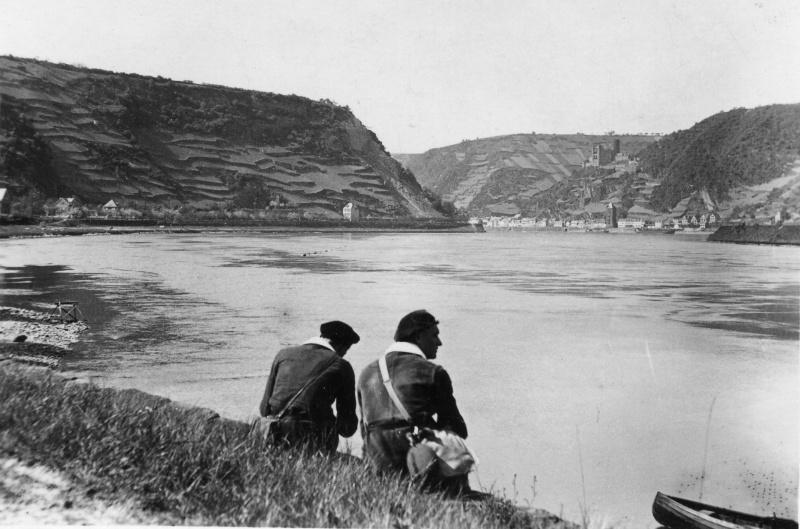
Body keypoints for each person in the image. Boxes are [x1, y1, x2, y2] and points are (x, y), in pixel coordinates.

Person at [357, 309, 472, 497]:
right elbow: (457, 428)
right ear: (419, 337)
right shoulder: (432, 371)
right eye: (434, 335)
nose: (439, 342)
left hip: (378, 462)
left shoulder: (367, 371)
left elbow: (364, 428)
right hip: (418, 461)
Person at [259, 320, 360, 453]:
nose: (343, 354)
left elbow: (264, 409)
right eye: (345, 349)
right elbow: (347, 428)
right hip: (311, 440)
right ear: (338, 345)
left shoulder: (283, 354)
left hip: (272, 434)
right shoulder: (342, 365)